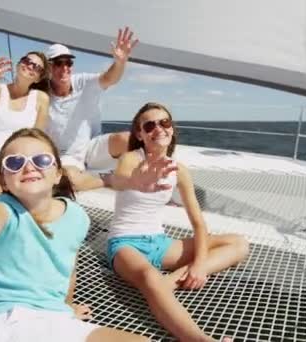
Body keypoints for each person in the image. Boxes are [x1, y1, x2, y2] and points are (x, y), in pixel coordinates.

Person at [0, 126, 183, 341]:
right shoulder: (3, 210)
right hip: (11, 321)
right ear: (5, 182)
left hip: (55, 317)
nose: (29, 166)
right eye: (14, 163)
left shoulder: (76, 217)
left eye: (41, 160)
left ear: (58, 173)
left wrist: (66, 306)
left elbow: (67, 266)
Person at [107, 103, 251, 341]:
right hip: (125, 244)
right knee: (148, 276)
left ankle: (168, 283)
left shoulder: (179, 170)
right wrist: (137, 180)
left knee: (239, 244)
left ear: (171, 129)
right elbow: (120, 180)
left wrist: (200, 265)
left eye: (164, 123)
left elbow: (198, 223)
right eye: (150, 125)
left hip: (160, 244)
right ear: (140, 134)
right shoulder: (131, 159)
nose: (159, 129)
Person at [45, 27, 138, 191]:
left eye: (68, 62)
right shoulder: (42, 95)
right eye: (58, 63)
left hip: (91, 147)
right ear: (48, 68)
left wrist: (120, 62)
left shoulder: (83, 82)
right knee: (68, 181)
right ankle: (108, 179)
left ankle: (147, 181)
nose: (65, 67)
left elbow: (110, 78)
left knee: (128, 139)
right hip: (67, 156)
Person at [0, 51, 50, 164]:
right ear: (18, 65)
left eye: (37, 67)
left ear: (38, 79)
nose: (30, 66)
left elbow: (37, 137)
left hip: (19, 160)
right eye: (27, 61)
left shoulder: (41, 98)